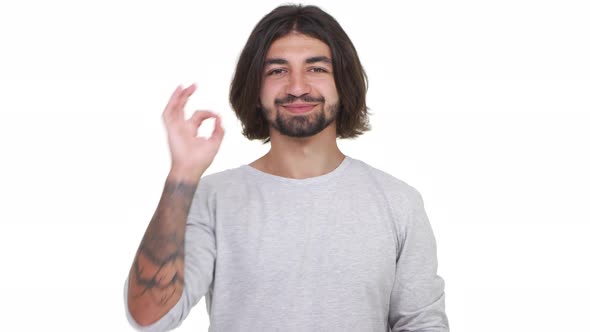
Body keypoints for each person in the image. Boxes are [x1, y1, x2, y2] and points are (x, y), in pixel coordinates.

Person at [124, 4, 449, 332]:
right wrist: (182, 176)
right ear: (255, 89)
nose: (297, 87)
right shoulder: (212, 198)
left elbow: (423, 324)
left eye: (316, 69)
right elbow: (150, 317)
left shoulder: (398, 202)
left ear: (343, 83)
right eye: (277, 71)